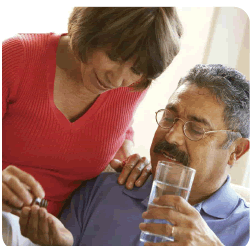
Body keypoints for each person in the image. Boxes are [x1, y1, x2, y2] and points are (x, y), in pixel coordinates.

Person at [8, 64, 250, 246]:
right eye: (168, 118)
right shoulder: (101, 191)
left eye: (196, 130)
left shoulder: (245, 230)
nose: (172, 136)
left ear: (236, 151)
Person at [2, 7, 183, 217]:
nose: (116, 81)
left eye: (136, 70)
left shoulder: (132, 87)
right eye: (114, 56)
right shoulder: (17, 56)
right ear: (90, 32)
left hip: (65, 229)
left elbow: (119, 125)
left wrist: (130, 159)